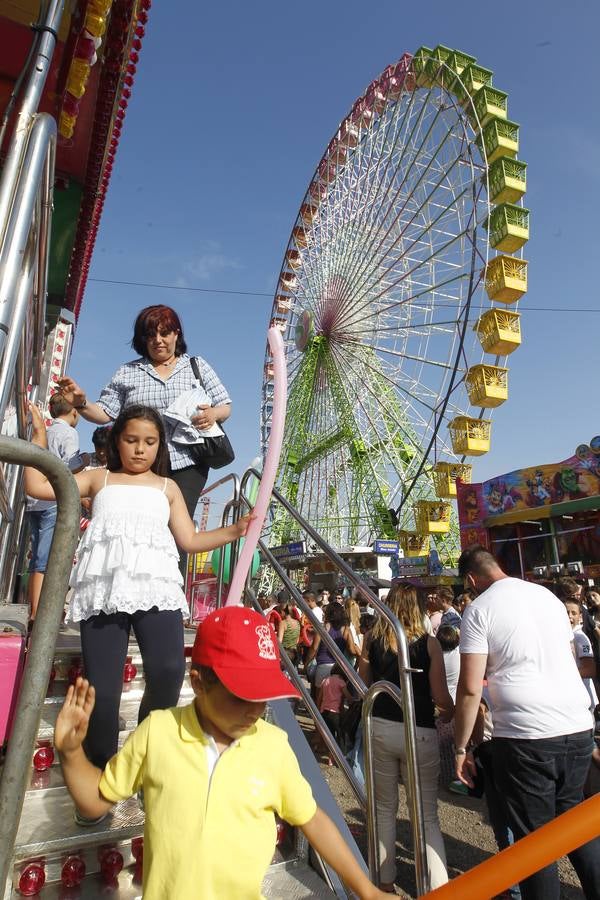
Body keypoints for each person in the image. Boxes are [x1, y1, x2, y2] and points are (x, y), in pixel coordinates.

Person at [53, 606, 390, 900]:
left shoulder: (273, 746)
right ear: (198, 683)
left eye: (263, 696)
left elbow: (312, 819)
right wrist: (71, 753)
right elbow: (95, 800)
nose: (254, 709)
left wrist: (366, 890)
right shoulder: (158, 732)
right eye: (242, 695)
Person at [25, 403, 252, 774]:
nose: (140, 448)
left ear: (160, 446)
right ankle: (102, 767)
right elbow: (37, 485)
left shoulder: (169, 487)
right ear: (117, 441)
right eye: (131, 439)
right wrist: (38, 435)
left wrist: (233, 531)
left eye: (150, 441)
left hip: (155, 587)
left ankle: (147, 753)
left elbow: (189, 539)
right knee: (104, 688)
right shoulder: (98, 478)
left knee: (167, 670)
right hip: (105, 592)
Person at [454, 545, 600, 900]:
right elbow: (566, 658)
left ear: (472, 579)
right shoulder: (547, 596)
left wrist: (461, 747)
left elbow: (471, 688)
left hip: (525, 735)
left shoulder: (478, 610)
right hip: (577, 725)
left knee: (534, 842)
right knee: (574, 825)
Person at [58, 305, 232, 566]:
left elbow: (225, 405)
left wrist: (213, 414)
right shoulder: (128, 372)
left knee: (176, 535)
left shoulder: (197, 366)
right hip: (140, 464)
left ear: (176, 334)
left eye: (164, 333)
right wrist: (82, 404)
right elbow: (105, 413)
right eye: (151, 335)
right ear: (142, 339)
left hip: (188, 463)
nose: (158, 341)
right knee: (137, 527)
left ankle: (169, 598)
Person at [359, 582, 454, 892]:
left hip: (381, 726)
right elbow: (440, 696)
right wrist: (453, 710)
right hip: (419, 729)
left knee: (384, 808)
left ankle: (384, 882)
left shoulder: (372, 639)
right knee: (426, 815)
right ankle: (436, 889)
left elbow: (363, 684)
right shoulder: (429, 644)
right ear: (419, 607)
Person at [26, 393, 89, 623]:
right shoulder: (69, 433)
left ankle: (35, 608)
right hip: (53, 500)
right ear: (74, 412)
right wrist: (85, 461)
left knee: (37, 559)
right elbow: (70, 466)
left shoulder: (48, 430)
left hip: (34, 501)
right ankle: (40, 612)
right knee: (51, 560)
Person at [304, 602, 353, 690]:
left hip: (323, 666)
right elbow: (351, 648)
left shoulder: (322, 628)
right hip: (338, 668)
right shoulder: (346, 629)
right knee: (337, 699)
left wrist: (306, 664)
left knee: (319, 698)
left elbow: (314, 648)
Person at [563, 597, 599, 713]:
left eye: (573, 613)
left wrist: (563, 675)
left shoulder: (580, 638)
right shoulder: (564, 635)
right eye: (566, 612)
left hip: (583, 698)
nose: (569, 616)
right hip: (570, 696)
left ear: (580, 617)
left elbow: (589, 669)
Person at [319, 664, 354, 760]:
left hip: (324, 711)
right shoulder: (341, 682)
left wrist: (319, 709)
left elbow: (320, 697)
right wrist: (353, 700)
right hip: (336, 713)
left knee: (330, 735)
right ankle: (341, 757)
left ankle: (330, 756)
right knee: (340, 735)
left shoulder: (325, 680)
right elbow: (348, 696)